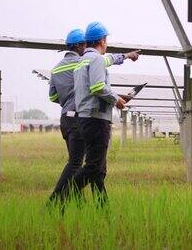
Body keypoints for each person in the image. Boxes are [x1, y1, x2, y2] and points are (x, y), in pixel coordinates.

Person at [48, 28, 138, 206]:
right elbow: (99, 79)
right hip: (86, 117)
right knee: (83, 164)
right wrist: (126, 56)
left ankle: (98, 205)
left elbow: (52, 97)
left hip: (67, 118)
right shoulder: (87, 61)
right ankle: (58, 200)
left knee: (90, 164)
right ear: (81, 45)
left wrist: (68, 102)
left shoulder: (57, 69)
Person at [72, 22, 130, 205]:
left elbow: (92, 88)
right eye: (106, 40)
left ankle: (102, 206)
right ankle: (64, 193)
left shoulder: (83, 60)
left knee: (99, 169)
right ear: (102, 40)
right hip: (96, 120)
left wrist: (125, 57)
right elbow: (97, 86)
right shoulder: (96, 59)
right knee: (94, 166)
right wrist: (117, 100)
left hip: (86, 119)